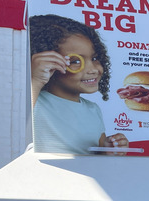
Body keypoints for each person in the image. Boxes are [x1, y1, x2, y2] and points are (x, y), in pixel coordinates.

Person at [29, 14, 128, 154]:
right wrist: (36, 79)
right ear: (50, 64)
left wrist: (109, 148)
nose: (93, 70)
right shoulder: (35, 100)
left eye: (94, 58)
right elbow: (16, 127)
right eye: (76, 61)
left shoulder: (93, 110)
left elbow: (98, 153)